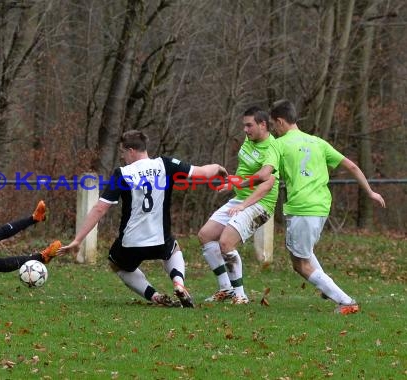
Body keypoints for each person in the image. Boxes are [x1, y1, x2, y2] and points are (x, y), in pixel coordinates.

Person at [235, 99, 386, 314]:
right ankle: (327, 287)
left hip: (302, 208)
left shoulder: (278, 144)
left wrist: (241, 182)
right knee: (302, 252)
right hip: (322, 207)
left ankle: (345, 301)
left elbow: (264, 174)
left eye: (274, 125)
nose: (273, 130)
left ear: (279, 122)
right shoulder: (318, 142)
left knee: (299, 263)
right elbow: (351, 165)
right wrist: (370, 191)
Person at [58, 129, 228, 308]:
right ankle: (178, 283)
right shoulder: (165, 164)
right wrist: (217, 167)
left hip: (131, 243)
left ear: (131, 150)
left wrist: (78, 240)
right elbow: (202, 173)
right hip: (160, 240)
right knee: (173, 250)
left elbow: (100, 209)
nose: (123, 157)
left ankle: (154, 296)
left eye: (123, 152)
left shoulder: (122, 173)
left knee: (117, 264)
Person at [198, 106, 278, 304]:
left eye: (249, 125)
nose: (245, 130)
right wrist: (231, 182)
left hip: (260, 203)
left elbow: (265, 182)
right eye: (244, 125)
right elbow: (245, 170)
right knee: (206, 235)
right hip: (240, 200)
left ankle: (240, 295)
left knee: (226, 243)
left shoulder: (273, 148)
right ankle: (226, 289)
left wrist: (243, 203)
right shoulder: (249, 140)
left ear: (263, 125)